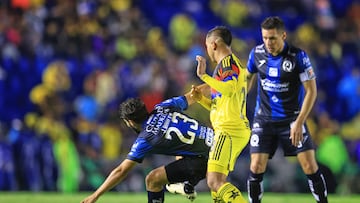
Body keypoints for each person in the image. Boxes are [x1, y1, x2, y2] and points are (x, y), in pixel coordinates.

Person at [246, 16, 328, 203]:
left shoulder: (298, 56)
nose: (268, 43)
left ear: (283, 35)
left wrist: (299, 122)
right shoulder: (256, 54)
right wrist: (240, 94)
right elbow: (247, 77)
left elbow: (311, 91)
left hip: (292, 120)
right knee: (256, 166)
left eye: (272, 38)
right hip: (264, 119)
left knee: (309, 165)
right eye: (265, 38)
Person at [80, 95, 214, 203]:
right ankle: (187, 184)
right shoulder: (163, 107)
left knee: (153, 179)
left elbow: (121, 170)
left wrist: (96, 195)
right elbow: (195, 94)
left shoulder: (145, 138)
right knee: (180, 153)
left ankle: (186, 183)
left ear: (130, 122)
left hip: (206, 158)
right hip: (217, 141)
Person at [189, 26, 250, 203]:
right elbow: (221, 104)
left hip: (228, 130)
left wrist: (203, 76)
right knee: (218, 185)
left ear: (214, 44)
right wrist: (201, 99)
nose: (207, 50)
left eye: (207, 45)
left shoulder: (227, 64)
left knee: (214, 181)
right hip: (232, 128)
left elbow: (229, 90)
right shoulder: (228, 66)